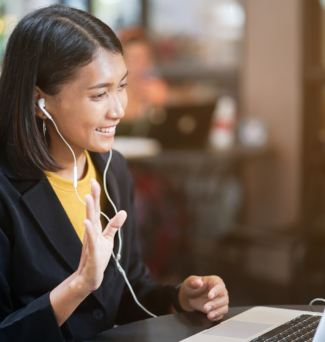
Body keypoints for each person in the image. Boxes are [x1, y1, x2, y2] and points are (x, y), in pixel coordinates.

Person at [0, 5, 229, 342]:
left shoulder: (112, 168)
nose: (119, 109)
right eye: (99, 94)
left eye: (121, 86)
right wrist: (79, 285)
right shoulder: (6, 190)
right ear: (40, 102)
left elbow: (127, 292)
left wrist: (178, 298)